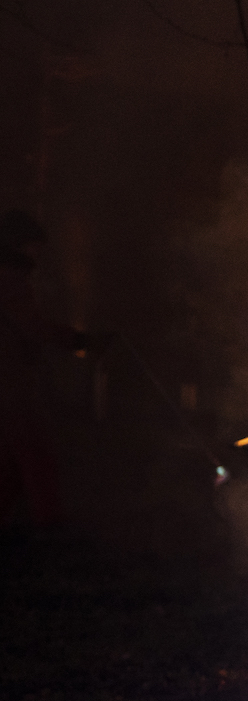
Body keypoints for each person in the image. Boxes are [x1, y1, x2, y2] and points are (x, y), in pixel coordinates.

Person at [0, 210, 112, 528]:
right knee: (35, 452)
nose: (39, 253)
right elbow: (31, 326)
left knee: (11, 459)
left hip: (10, 378)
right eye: (35, 246)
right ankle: (51, 526)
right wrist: (81, 340)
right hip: (9, 381)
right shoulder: (9, 279)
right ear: (20, 245)